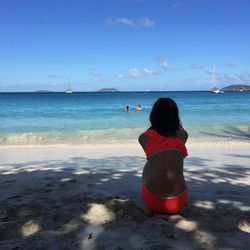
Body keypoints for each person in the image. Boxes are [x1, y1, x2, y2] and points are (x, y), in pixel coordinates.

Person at [138, 97, 188, 214]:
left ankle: (145, 198)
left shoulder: (144, 138)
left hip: (153, 202)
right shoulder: (183, 136)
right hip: (178, 202)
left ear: (153, 115)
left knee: (149, 164)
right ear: (175, 115)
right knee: (173, 160)